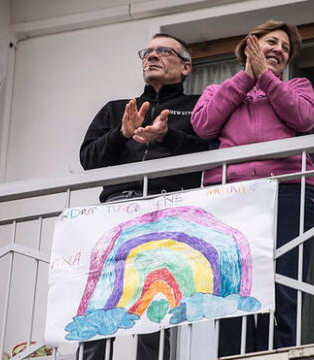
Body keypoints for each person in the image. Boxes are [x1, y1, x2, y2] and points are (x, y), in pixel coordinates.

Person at [190, 20, 314, 355]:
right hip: (233, 195)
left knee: (284, 281)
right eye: (271, 42)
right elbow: (204, 125)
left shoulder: (299, 86)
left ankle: (278, 353)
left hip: (289, 189)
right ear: (250, 44)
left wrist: (266, 78)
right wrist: (248, 76)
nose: (279, 49)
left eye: (285, 49)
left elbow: (303, 117)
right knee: (235, 282)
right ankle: (236, 354)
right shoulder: (217, 91)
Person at [79, 33, 208, 360]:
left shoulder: (198, 107)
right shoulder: (117, 110)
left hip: (170, 206)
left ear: (185, 67)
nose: (152, 57)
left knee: (158, 294)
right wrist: (121, 134)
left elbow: (212, 153)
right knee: (103, 295)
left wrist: (169, 136)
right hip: (118, 207)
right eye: (147, 52)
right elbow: (89, 161)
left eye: (164, 51)